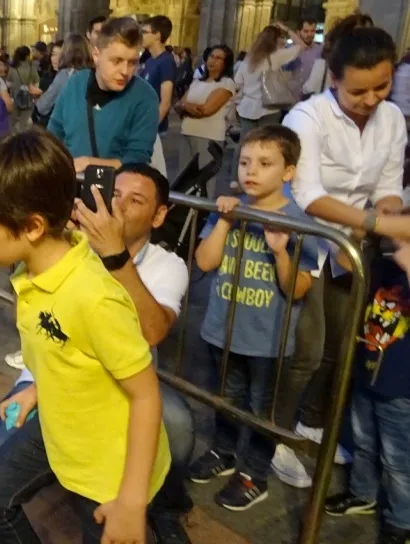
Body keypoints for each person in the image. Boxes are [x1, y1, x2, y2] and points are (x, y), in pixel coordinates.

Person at [0, 129, 169, 544]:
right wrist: (36, 389)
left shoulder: (92, 296)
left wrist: (129, 502)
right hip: (61, 432)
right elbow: (64, 346)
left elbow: (146, 395)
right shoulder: (34, 273)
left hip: (107, 467)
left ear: (33, 226)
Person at [274, 26, 410, 489]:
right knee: (304, 351)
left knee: (342, 345)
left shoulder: (392, 118)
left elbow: (388, 186)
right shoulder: (307, 118)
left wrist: (384, 213)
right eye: (358, 90)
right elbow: (307, 193)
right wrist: (381, 224)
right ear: (333, 77)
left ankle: (314, 425)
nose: (372, 99)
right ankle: (275, 435)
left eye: (382, 86)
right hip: (308, 241)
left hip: (355, 247)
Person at [189, 125, 320, 511]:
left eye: (265, 163)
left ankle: (254, 473)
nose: (252, 171)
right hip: (223, 330)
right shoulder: (229, 210)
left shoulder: (297, 221)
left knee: (262, 408)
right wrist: (226, 221)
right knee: (225, 397)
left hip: (267, 339)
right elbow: (204, 261)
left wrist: (281, 252)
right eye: (246, 162)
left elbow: (298, 288)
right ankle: (224, 452)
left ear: (289, 172)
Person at [324, 239, 410, 544]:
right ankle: (362, 493)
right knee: (362, 441)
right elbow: (345, 263)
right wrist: (364, 230)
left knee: (397, 460)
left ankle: (401, 521)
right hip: (368, 372)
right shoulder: (385, 265)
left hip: (401, 389)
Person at [49, 17, 159, 172]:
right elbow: (53, 136)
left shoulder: (145, 97)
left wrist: (89, 163)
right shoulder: (75, 84)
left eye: (132, 62)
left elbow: (137, 159)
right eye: (117, 61)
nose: (125, 71)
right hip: (67, 187)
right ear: (96, 55)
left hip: (114, 192)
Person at [176, 44, 236, 196]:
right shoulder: (197, 81)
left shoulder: (226, 84)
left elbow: (206, 110)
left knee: (204, 181)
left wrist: (186, 106)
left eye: (218, 58)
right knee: (183, 178)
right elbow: (178, 105)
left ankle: (202, 215)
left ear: (226, 63)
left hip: (209, 137)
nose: (213, 60)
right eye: (211, 56)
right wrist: (188, 106)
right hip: (188, 132)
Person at [233, 22, 304, 137]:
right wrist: (286, 28)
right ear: (276, 40)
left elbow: (238, 82)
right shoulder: (276, 56)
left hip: (247, 108)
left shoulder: (248, 59)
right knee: (266, 143)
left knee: (246, 142)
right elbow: (302, 46)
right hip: (268, 108)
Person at [34, 34, 89, 127]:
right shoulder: (90, 73)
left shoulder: (66, 74)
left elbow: (43, 106)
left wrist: (38, 99)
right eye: (53, 54)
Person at [139, 15, 177, 135]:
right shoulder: (150, 61)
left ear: (157, 35)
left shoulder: (166, 61)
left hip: (153, 130)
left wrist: (150, 130)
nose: (140, 36)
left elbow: (165, 102)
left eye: (144, 32)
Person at [7, 45, 42, 132]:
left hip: (14, 98)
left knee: (12, 122)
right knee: (24, 122)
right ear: (27, 56)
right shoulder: (31, 67)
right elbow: (37, 82)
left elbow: (8, 83)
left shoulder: (13, 67)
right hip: (28, 98)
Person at [287, 17, 323, 99]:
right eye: (306, 31)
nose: (310, 34)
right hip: (290, 99)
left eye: (312, 31)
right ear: (298, 32)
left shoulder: (320, 50)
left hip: (311, 100)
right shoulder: (289, 49)